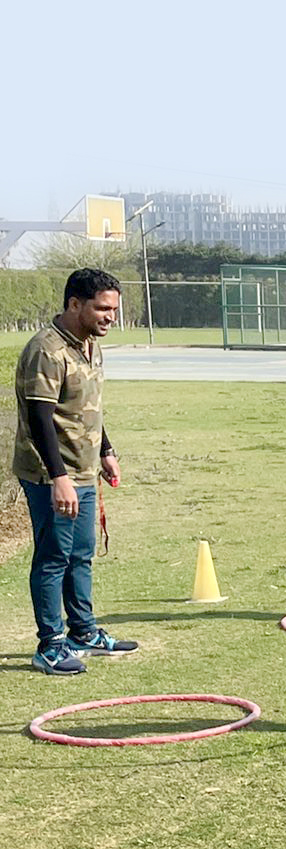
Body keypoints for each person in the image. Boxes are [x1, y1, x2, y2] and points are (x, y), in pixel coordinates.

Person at [12, 268, 139, 675]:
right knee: (54, 557)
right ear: (74, 304)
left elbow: (86, 410)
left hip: (84, 471)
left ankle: (82, 632)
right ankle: (50, 645)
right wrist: (59, 478)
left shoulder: (89, 344)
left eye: (114, 310)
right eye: (102, 309)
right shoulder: (46, 350)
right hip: (50, 475)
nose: (110, 317)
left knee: (81, 555)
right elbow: (40, 418)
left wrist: (106, 449)